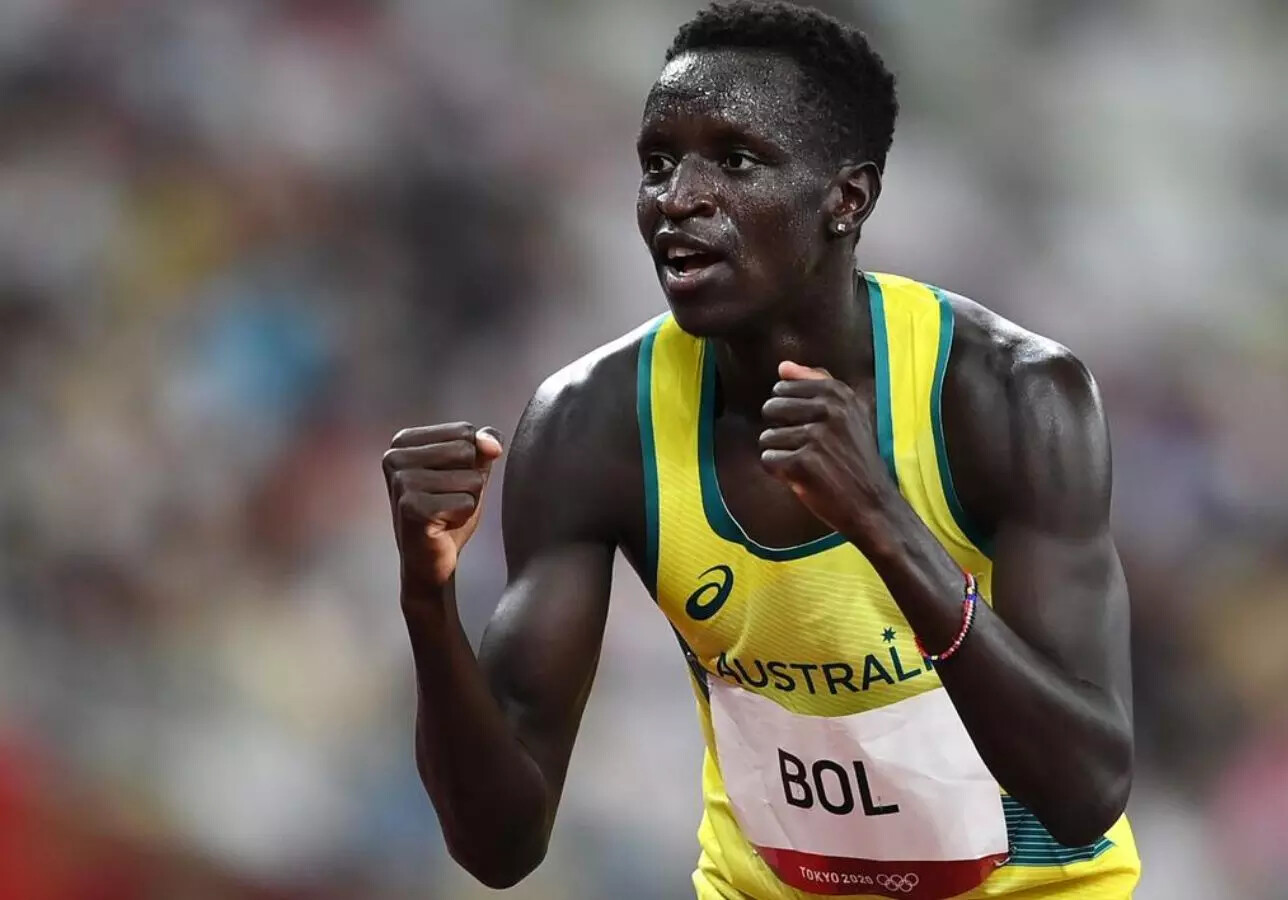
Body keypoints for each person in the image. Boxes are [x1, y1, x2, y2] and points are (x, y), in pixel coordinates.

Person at [381, 2, 1139, 897]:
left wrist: (884, 522)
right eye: (657, 164)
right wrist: (427, 603)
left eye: (736, 160)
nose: (679, 198)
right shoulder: (593, 425)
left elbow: (1084, 793)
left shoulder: (1010, 398)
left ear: (847, 199)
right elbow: (500, 848)